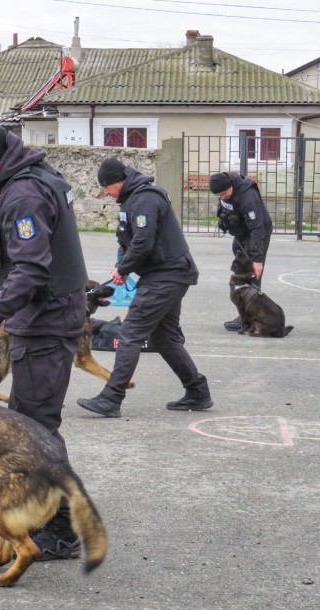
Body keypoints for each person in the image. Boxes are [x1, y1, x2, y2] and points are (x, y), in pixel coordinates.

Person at [0, 117, 89, 561]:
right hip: (48, 315)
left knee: (37, 429)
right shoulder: (25, 181)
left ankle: (61, 531)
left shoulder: (24, 192)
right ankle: (29, 516)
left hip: (47, 321)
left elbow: (30, 269)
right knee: (27, 423)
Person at [76, 158, 212, 419]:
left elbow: (143, 242)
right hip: (165, 274)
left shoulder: (144, 199)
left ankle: (111, 397)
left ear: (120, 181)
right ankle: (198, 391)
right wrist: (122, 265)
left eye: (106, 186)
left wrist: (124, 268)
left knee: (131, 332)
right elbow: (130, 239)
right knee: (165, 338)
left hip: (167, 276)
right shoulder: (134, 199)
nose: (105, 191)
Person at [208, 172, 273, 331]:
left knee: (252, 274)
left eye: (224, 194)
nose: (222, 198)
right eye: (218, 196)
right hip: (242, 234)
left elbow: (257, 228)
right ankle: (247, 316)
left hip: (257, 233)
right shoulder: (225, 192)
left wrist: (257, 260)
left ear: (230, 187)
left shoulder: (247, 196)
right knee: (242, 271)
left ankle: (250, 318)